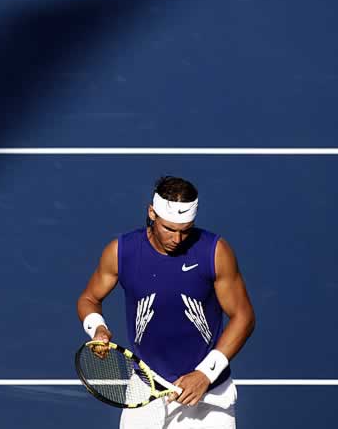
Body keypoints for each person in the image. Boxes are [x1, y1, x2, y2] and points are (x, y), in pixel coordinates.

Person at [77, 176, 255, 429]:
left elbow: (244, 317)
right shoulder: (121, 252)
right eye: (169, 229)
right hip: (145, 392)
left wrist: (206, 373)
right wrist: (97, 328)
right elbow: (89, 299)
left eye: (186, 230)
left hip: (208, 397)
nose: (178, 239)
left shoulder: (215, 252)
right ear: (151, 213)